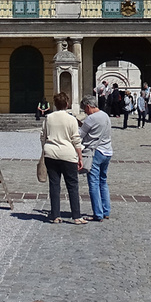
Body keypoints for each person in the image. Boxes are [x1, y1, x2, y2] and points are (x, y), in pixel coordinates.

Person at [40, 91, 86, 224]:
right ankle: (76, 216)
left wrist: (45, 148)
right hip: (67, 154)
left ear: (54, 104)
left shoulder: (48, 118)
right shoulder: (71, 119)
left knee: (54, 185)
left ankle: (55, 215)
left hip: (51, 153)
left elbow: (42, 135)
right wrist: (80, 157)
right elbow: (76, 139)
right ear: (67, 104)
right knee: (72, 185)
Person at [79, 96, 114, 220]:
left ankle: (98, 213)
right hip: (107, 151)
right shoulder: (105, 115)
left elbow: (80, 135)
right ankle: (106, 210)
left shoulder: (91, 118)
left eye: (85, 109)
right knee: (103, 181)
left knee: (93, 183)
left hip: (95, 152)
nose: (85, 112)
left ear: (88, 106)